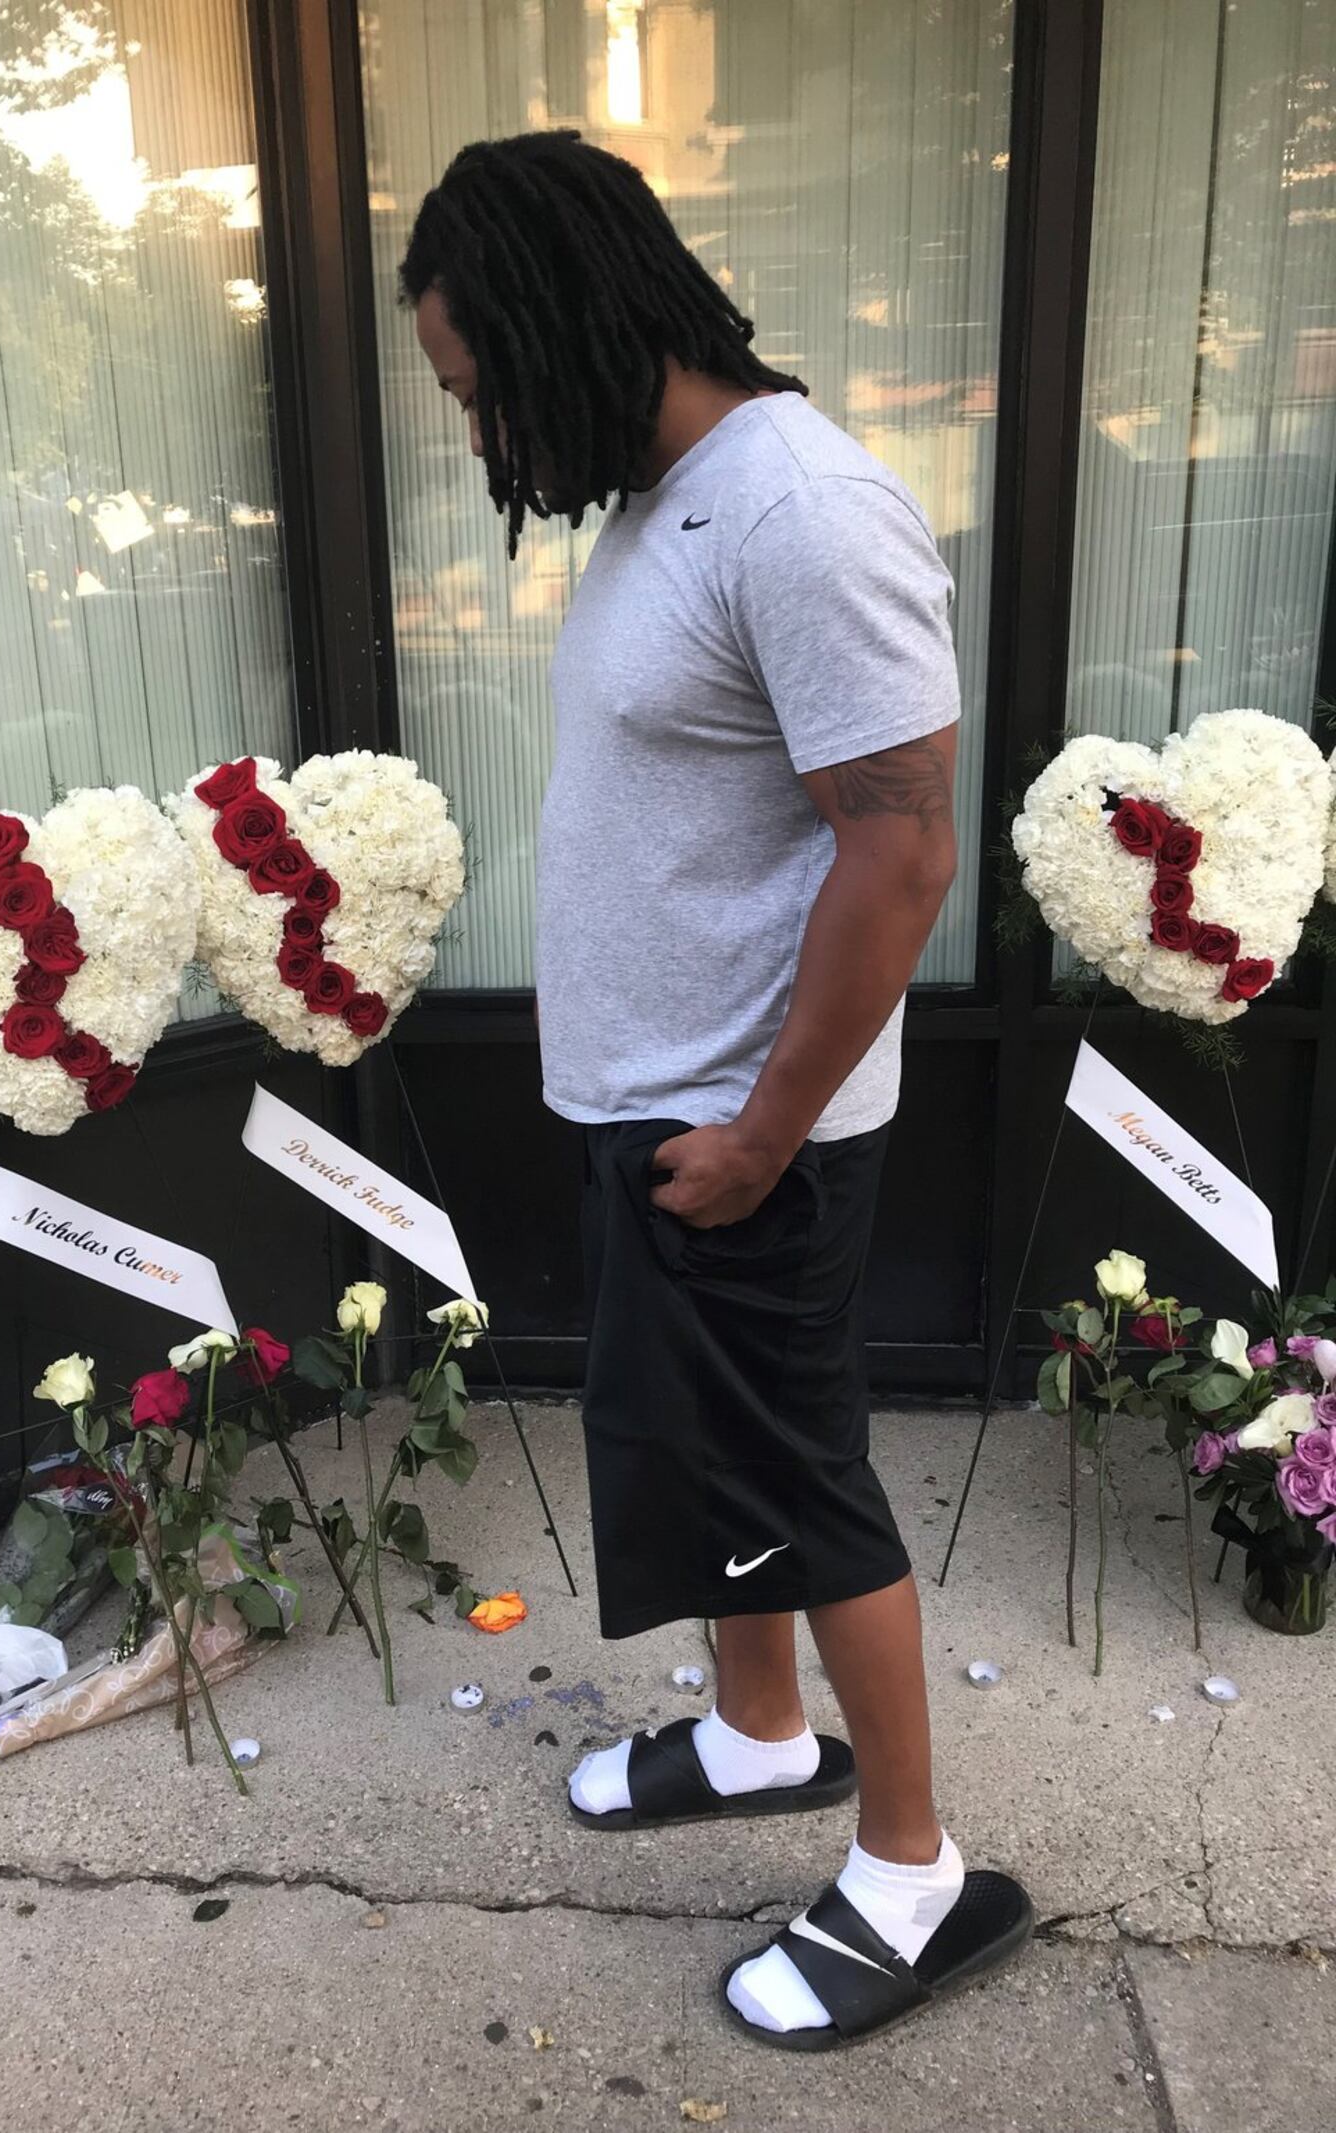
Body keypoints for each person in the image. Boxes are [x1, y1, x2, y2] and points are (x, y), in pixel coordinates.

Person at [401, 130, 1030, 2050]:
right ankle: (764, 1734)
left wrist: (763, 1133)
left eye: (478, 384)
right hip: (659, 1103)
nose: (482, 426)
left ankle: (913, 1866)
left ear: (559, 323)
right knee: (702, 1453)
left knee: (798, 1478)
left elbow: (905, 853)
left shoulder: (802, 512)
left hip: (751, 1130)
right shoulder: (666, 498)